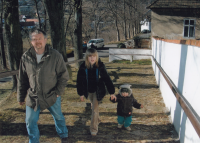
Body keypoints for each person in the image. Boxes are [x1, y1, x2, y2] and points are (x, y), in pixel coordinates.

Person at [17, 29, 69, 143]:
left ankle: (63, 135)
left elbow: (63, 76)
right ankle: (34, 141)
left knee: (58, 117)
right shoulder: (26, 57)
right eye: (34, 39)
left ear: (45, 40)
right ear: (31, 42)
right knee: (30, 121)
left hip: (51, 95)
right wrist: (21, 97)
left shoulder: (55, 55)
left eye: (40, 39)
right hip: (33, 97)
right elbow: (22, 79)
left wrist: (58, 92)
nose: (37, 42)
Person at [76, 48, 116, 136]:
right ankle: (97, 120)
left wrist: (112, 92)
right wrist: (81, 93)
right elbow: (80, 81)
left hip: (98, 91)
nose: (92, 58)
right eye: (90, 56)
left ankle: (93, 128)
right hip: (88, 91)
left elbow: (107, 79)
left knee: (94, 109)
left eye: (94, 56)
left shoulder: (100, 66)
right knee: (94, 107)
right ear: (87, 57)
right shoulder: (83, 67)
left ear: (96, 57)